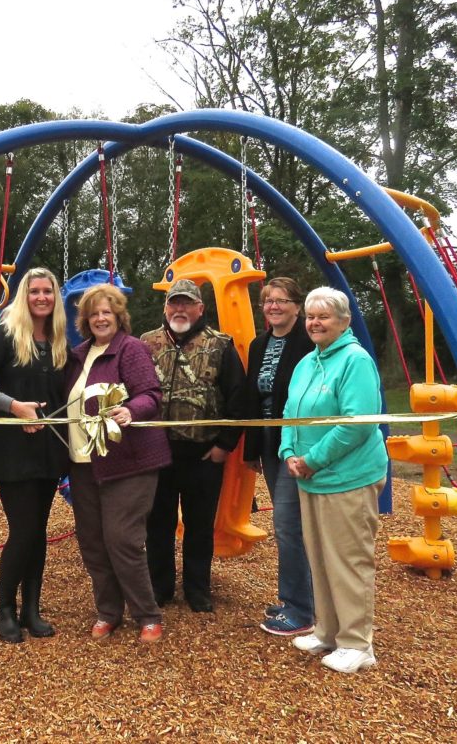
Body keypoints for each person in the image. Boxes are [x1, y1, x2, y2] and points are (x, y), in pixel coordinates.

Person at [281, 287, 389, 674]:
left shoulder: (355, 360)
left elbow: (356, 424)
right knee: (320, 558)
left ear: (344, 321)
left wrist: (313, 459)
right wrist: (288, 453)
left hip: (348, 478)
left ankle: (357, 643)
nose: (314, 323)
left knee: (348, 560)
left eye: (323, 316)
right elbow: (289, 413)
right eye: (311, 316)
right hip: (310, 479)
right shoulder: (307, 363)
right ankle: (327, 631)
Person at [0, 267, 69, 643]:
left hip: (48, 450)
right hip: (12, 451)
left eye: (48, 291)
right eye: (34, 291)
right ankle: (5, 608)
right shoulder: (6, 335)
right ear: (24, 296)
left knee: (38, 532)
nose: (41, 297)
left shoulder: (57, 341)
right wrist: (13, 407)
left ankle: (32, 607)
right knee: (23, 531)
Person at [65, 284, 171, 643]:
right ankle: (108, 611)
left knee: (122, 539)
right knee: (92, 541)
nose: (100, 318)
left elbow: (151, 395)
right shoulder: (78, 355)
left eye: (107, 312)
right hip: (83, 461)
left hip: (129, 460)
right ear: (85, 320)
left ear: (119, 316)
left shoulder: (131, 349)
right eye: (94, 313)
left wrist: (131, 410)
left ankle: (147, 614)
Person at [140, 278, 245, 613]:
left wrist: (224, 446)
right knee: (158, 524)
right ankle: (160, 587)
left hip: (203, 454)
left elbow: (238, 399)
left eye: (187, 303)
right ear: (165, 307)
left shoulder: (220, 345)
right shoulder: (145, 344)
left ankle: (198, 589)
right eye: (174, 303)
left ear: (200, 308)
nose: (180, 309)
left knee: (200, 526)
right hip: (157, 453)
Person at [243, 277, 315, 636]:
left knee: (288, 526)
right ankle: (294, 599)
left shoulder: (309, 343)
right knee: (289, 525)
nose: (274, 306)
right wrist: (252, 449)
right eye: (268, 301)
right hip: (270, 440)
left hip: (298, 441)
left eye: (282, 300)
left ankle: (302, 608)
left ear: (297, 306)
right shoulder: (260, 344)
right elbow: (254, 398)